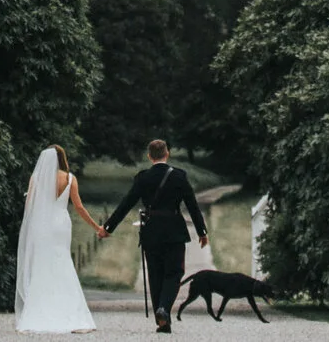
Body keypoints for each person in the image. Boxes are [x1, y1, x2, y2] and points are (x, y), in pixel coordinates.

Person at [96, 139, 208, 334]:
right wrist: (202, 231)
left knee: (155, 274)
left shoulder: (143, 178)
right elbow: (192, 205)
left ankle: (162, 321)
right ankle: (163, 309)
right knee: (173, 273)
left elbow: (126, 204)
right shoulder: (179, 177)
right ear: (167, 154)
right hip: (174, 230)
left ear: (149, 156)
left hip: (151, 231)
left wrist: (108, 227)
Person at [15, 145, 102, 333]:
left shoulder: (36, 178)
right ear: (63, 158)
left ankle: (40, 311)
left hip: (42, 225)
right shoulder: (70, 179)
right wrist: (97, 227)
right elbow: (79, 207)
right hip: (61, 224)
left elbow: (29, 205)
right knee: (62, 261)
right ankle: (70, 311)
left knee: (43, 264)